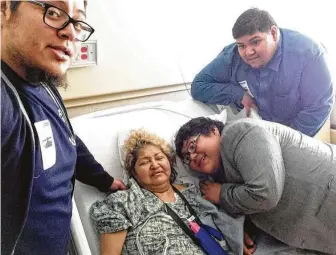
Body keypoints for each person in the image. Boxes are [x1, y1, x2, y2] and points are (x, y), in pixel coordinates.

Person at [1, 1, 126, 254]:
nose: (71, 32)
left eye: (78, 22)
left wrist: (105, 180)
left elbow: (66, 137)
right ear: (4, 9)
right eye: (54, 12)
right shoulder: (7, 103)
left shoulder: (41, 80)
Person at [174, 116, 336, 254]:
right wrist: (242, 230)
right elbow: (248, 200)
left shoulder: (238, 133)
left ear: (213, 130)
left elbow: (265, 194)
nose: (193, 156)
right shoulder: (220, 172)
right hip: (318, 223)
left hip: (327, 195)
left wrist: (221, 194)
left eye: (192, 146)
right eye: (187, 158)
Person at [90, 129, 247, 255]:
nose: (154, 165)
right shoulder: (123, 203)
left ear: (169, 162)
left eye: (159, 158)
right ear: (135, 173)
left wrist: (237, 235)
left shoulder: (196, 193)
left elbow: (225, 221)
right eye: (144, 162)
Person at [191, 8, 334, 137]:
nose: (248, 52)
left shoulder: (309, 54)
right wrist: (238, 94)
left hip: (299, 134)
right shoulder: (231, 56)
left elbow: (318, 108)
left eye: (255, 42)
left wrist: (285, 142)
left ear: (273, 33)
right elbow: (198, 86)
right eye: (241, 45)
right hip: (259, 131)